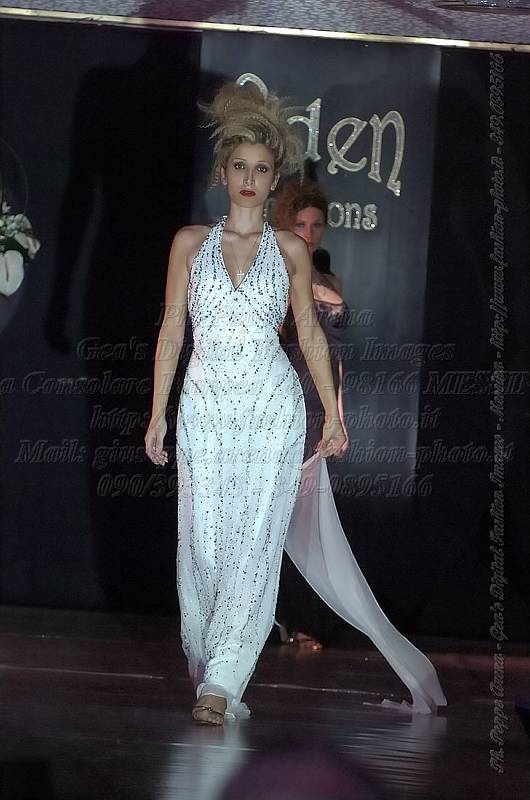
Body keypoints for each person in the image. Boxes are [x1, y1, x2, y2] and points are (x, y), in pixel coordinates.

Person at [144, 81, 346, 726]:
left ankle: (223, 680)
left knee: (255, 545)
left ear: (273, 177)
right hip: (204, 408)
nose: (250, 180)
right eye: (240, 167)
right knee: (203, 544)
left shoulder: (291, 250)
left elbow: (309, 332)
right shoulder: (188, 242)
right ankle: (210, 661)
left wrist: (333, 412)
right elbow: (172, 328)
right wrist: (157, 411)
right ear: (224, 172)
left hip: (271, 410)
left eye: (261, 169)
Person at [273, 181, 349, 651]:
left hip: (318, 402)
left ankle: (302, 618)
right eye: (300, 223)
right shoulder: (276, 269)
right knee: (273, 512)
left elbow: (336, 353)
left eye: (316, 224)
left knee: (308, 516)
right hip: (284, 397)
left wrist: (338, 416)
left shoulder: (327, 276)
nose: (309, 232)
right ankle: (269, 617)